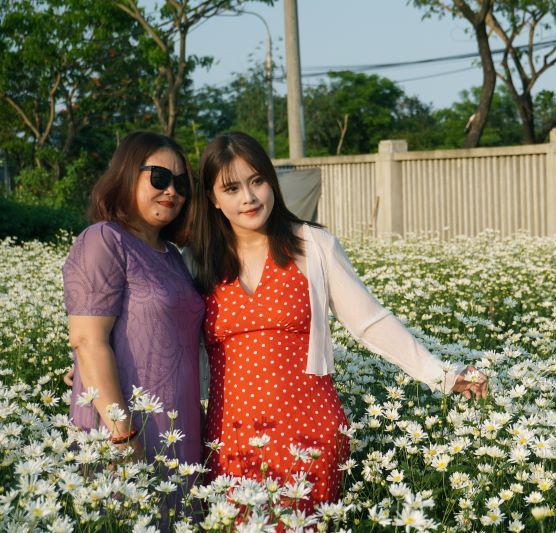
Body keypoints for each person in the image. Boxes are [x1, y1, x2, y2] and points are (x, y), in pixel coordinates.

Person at [190, 131, 487, 515]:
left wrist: (442, 373)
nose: (249, 197)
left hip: (309, 429)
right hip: (229, 439)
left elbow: (370, 322)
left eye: (257, 181)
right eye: (231, 188)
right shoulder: (196, 263)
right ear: (213, 199)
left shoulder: (312, 245)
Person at [62, 132, 204, 478]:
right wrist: (123, 437)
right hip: (127, 430)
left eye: (182, 184)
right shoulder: (104, 239)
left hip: (177, 424)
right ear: (127, 174)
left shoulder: (172, 255)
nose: (172, 191)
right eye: (159, 178)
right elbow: (87, 340)